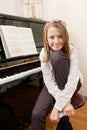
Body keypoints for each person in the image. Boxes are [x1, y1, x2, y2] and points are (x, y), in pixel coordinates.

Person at [31, 20, 83, 130]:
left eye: (60, 36)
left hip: (72, 82)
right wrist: (64, 103)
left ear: (65, 37)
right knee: (37, 114)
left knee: (57, 57)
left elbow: (72, 79)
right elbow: (49, 81)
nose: (56, 41)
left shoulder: (72, 50)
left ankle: (64, 126)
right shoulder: (43, 53)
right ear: (46, 38)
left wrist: (57, 108)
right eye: (51, 37)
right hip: (52, 84)